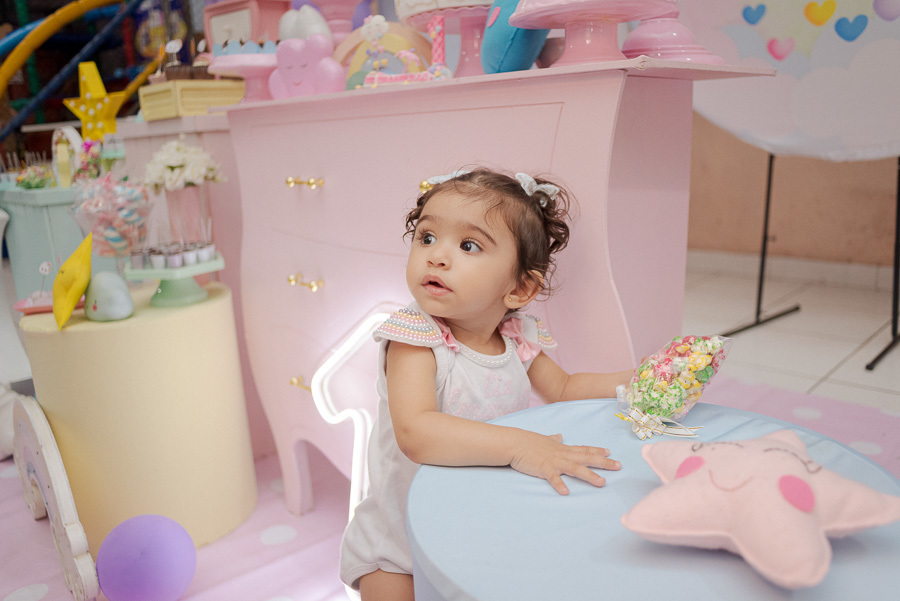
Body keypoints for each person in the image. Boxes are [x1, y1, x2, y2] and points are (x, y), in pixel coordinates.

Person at [340, 168, 634, 600]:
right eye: (426, 238)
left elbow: (565, 389)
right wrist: (521, 446)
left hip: (476, 523)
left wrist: (641, 379)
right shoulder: (416, 339)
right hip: (399, 536)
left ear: (520, 289)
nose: (437, 257)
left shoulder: (514, 338)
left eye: (468, 245)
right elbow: (416, 432)